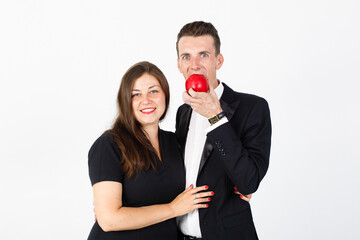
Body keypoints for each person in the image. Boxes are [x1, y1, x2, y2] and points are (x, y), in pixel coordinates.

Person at [87, 61, 214, 240]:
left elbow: (203, 167)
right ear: (126, 101)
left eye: (153, 91)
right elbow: (109, 220)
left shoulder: (174, 142)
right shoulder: (109, 145)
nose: (146, 100)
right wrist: (172, 209)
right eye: (135, 94)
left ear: (165, 95)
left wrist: (238, 188)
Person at [175, 21, 272, 239]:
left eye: (204, 55)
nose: (195, 64)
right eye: (186, 57)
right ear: (179, 65)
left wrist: (216, 118)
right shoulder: (183, 113)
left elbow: (248, 181)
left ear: (218, 61)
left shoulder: (253, 108)